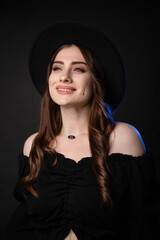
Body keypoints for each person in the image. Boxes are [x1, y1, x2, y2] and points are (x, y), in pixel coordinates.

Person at [6, 21, 159, 240]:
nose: (64, 76)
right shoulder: (34, 145)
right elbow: (23, 228)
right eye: (57, 67)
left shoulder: (124, 139)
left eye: (78, 68)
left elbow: (144, 226)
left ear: (96, 80)